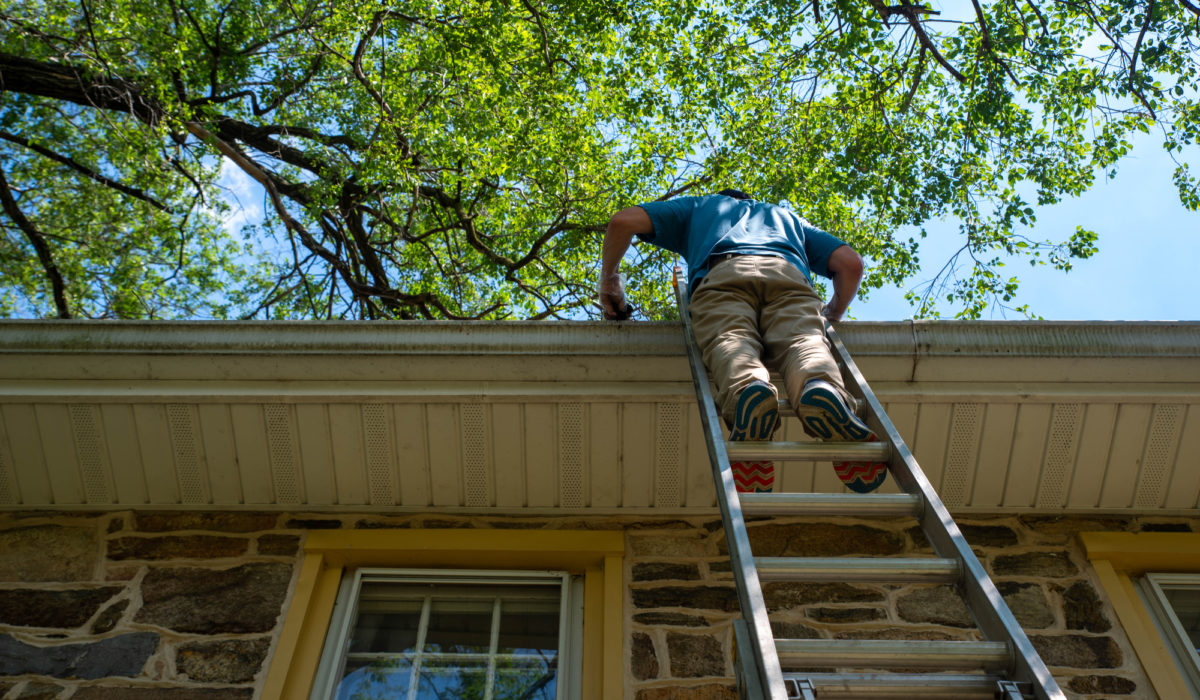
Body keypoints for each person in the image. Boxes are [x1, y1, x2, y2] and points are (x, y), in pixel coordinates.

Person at [598, 189, 886, 493]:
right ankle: (821, 388)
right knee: (805, 343)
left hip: (722, 276)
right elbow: (850, 263)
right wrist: (833, 312)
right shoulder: (787, 218)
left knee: (731, 340)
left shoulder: (701, 206)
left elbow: (622, 221)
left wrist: (609, 279)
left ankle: (750, 389)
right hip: (788, 276)